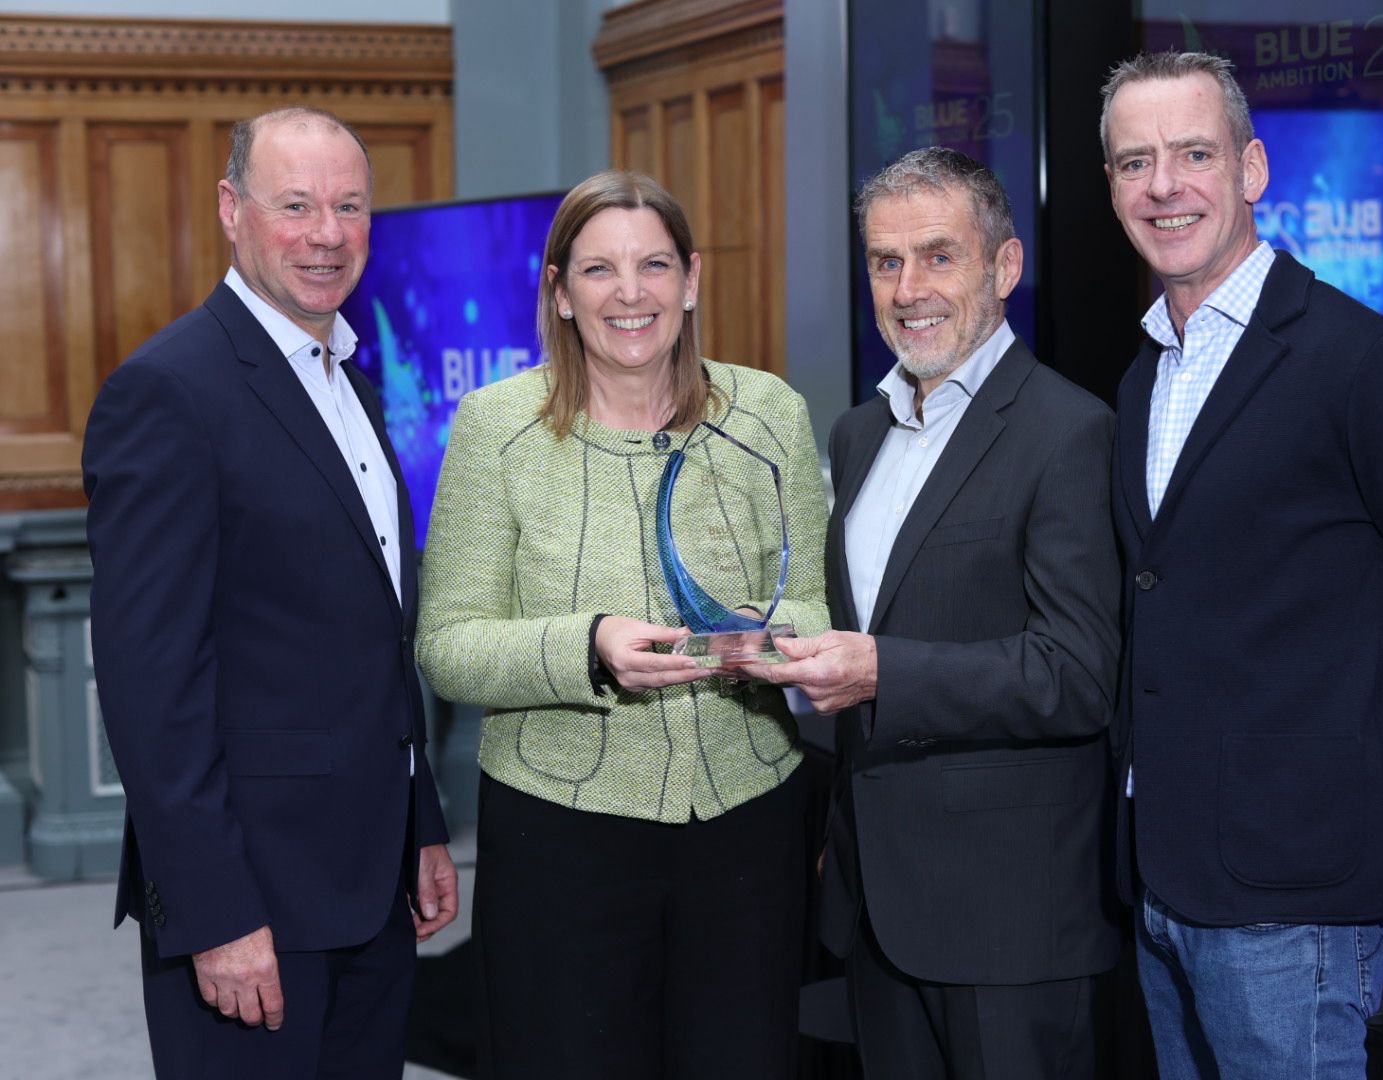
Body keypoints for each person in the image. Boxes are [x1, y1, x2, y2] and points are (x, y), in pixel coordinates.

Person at [1098, 51, 1383, 1077]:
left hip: (1292, 885)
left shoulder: (1360, 360)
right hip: (1163, 871)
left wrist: (1380, 754)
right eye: (1134, 162)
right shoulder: (1143, 377)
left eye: (1193, 153)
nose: (1164, 186)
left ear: (1252, 169)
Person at [414, 170, 830, 1080]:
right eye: (599, 269)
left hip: (748, 826)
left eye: (653, 265)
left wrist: (764, 633)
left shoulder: (770, 414)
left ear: (691, 279)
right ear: (560, 292)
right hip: (561, 836)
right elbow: (447, 643)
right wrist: (589, 646)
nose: (629, 293)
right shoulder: (497, 429)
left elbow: (814, 605)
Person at [82, 106, 458, 1079]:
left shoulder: (351, 385)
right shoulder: (168, 393)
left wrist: (419, 826)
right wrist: (213, 912)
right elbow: (150, 687)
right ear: (230, 208)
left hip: (370, 884)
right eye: (295, 205)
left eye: (349, 206)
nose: (326, 234)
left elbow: (372, 637)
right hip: (251, 902)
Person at [748, 147, 1121, 1078]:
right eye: (886, 261)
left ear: (1005, 266)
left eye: (938, 255)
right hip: (875, 904)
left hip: (1010, 919)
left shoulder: (1069, 432)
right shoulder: (858, 432)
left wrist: (880, 671)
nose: (908, 289)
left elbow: (1076, 675)